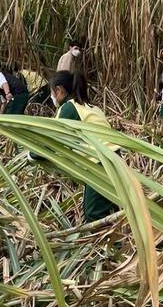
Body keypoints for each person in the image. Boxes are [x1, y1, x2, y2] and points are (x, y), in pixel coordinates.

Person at [48, 69, 119, 223]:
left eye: (52, 93)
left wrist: (32, 154)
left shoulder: (68, 108)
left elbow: (53, 139)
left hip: (101, 164)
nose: (52, 97)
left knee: (94, 214)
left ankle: (111, 246)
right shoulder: (91, 107)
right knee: (111, 208)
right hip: (115, 159)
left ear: (59, 90)